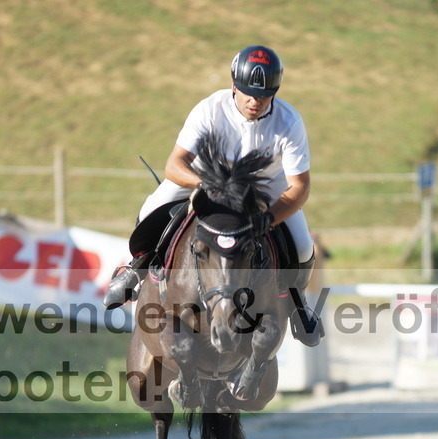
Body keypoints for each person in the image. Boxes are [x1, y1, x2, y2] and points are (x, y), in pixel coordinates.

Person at [103, 45, 323, 346]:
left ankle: (300, 305)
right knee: (152, 206)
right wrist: (207, 185)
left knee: (301, 246)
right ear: (234, 84)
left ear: (275, 91)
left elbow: (300, 187)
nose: (254, 101)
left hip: (263, 184)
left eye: (263, 96)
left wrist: (270, 217)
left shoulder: (289, 122)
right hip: (207, 177)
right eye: (247, 92)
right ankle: (136, 268)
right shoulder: (209, 109)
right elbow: (174, 165)